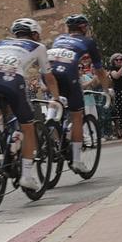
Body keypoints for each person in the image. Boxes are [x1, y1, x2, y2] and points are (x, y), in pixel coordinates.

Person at [0, 18, 59, 177]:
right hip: (13, 82)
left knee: (2, 109)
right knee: (28, 125)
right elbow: (49, 77)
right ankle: (27, 176)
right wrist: (56, 98)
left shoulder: (1, 43)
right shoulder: (39, 46)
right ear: (35, 34)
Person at [47, 14, 104, 165]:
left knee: (56, 99)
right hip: (67, 74)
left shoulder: (58, 39)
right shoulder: (88, 41)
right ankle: (77, 161)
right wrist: (107, 89)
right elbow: (99, 70)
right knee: (77, 116)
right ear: (83, 27)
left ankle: (49, 123)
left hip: (47, 74)